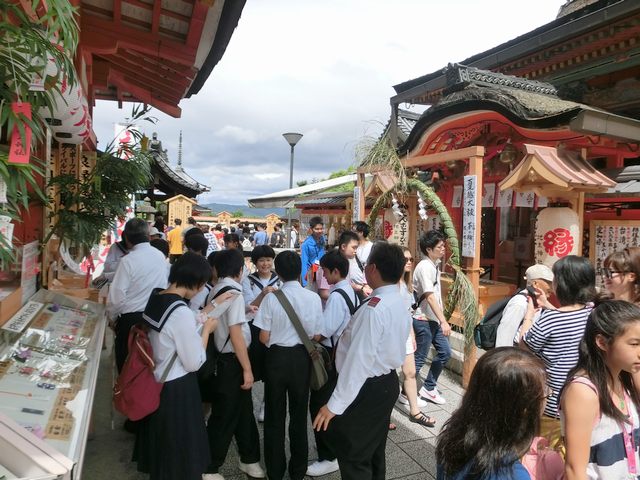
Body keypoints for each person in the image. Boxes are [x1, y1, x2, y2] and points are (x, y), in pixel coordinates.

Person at [313, 242, 411, 480]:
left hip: (366, 387)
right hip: (385, 382)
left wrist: (334, 405)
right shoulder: (400, 299)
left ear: (373, 269)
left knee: (355, 455)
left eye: (366, 265)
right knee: (374, 451)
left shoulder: (374, 309)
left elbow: (358, 363)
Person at [133, 253, 223, 480]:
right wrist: (206, 332)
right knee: (180, 457)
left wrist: (203, 315)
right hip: (177, 388)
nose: (202, 289)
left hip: (157, 380)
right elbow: (193, 362)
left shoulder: (158, 297)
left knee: (163, 454)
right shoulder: (180, 311)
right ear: (195, 282)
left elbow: (172, 328)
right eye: (202, 284)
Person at [254, 251, 322, 480]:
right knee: (299, 414)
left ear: (278, 272)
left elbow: (263, 337)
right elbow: (315, 334)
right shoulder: (313, 298)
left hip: (276, 359)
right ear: (299, 270)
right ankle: (298, 470)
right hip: (302, 359)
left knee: (274, 415)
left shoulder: (272, 299)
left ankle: (275, 470)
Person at [519, 255, 596, 451]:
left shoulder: (551, 319)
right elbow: (568, 319)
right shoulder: (593, 313)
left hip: (553, 406)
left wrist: (529, 314)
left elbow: (524, 343)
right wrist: (548, 306)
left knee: (544, 458)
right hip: (586, 402)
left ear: (560, 284)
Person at [436, 347, 548, 480]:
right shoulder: (513, 474)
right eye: (545, 392)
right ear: (525, 409)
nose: (548, 395)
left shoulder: (454, 437)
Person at [562, 300, 640, 480]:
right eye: (634, 344)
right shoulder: (583, 391)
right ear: (602, 343)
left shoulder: (624, 378)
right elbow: (575, 470)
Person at [204, 249, 264, 480]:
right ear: (241, 270)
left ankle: (249, 459)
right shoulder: (235, 293)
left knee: (244, 413)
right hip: (231, 362)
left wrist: (246, 309)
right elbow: (236, 333)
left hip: (225, 359)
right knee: (225, 415)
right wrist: (248, 369)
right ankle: (209, 466)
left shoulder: (218, 289)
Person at [307, 250, 360, 477]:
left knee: (320, 405)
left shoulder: (337, 297)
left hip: (331, 358)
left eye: (326, 272)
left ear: (336, 271)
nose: (324, 277)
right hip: (344, 357)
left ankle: (328, 456)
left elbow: (322, 333)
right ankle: (336, 449)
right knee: (337, 404)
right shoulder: (351, 292)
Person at [107, 218, 168, 373]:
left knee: (127, 367)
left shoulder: (128, 261)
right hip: (154, 319)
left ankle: (126, 397)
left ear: (126, 238)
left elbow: (117, 297)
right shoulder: (160, 257)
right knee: (148, 366)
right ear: (148, 235)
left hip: (131, 323)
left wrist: (112, 318)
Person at [242, 245, 281, 422]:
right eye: (261, 260)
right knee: (253, 364)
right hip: (254, 327)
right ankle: (246, 404)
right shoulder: (248, 280)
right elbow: (248, 307)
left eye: (268, 259)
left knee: (270, 367)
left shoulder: (279, 280)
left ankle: (266, 404)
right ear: (255, 262)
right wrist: (263, 294)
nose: (265, 263)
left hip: (274, 328)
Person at [413, 230, 452, 405]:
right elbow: (429, 295)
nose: (443, 249)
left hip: (432, 319)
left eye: (443, 245)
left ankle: (428, 387)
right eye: (440, 246)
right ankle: (406, 393)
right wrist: (444, 320)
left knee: (445, 352)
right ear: (429, 249)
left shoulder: (433, 265)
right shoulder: (424, 267)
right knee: (419, 358)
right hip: (423, 319)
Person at [398, 247, 434, 427]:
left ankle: (415, 411)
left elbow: (407, 313)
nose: (409, 262)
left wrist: (411, 334)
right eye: (405, 259)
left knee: (410, 373)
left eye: (411, 258)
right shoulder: (389, 285)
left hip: (405, 334)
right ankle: (382, 414)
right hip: (390, 336)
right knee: (385, 376)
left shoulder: (407, 285)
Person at [495, 264, 554, 348]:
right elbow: (505, 335)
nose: (551, 286)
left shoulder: (539, 302)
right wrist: (505, 359)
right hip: (517, 354)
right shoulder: (520, 303)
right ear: (535, 283)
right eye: (548, 282)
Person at [340, 230, 371, 300]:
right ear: (343, 246)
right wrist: (361, 288)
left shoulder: (355, 257)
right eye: (353, 247)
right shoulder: (335, 262)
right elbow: (343, 283)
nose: (355, 251)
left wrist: (365, 285)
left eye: (356, 248)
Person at [300, 216, 325, 287]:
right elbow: (304, 263)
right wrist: (305, 283)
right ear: (311, 229)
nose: (320, 231)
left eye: (321, 229)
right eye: (317, 229)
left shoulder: (322, 239)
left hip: (322, 272)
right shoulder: (306, 244)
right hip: (311, 274)